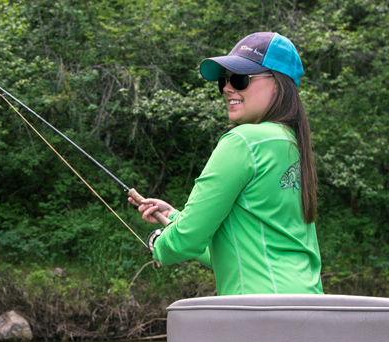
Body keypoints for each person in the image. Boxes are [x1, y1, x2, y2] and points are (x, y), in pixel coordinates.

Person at [129, 32, 323, 295]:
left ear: (277, 84)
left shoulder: (244, 141)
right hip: (309, 308)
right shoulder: (292, 144)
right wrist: (173, 217)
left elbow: (187, 240)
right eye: (224, 81)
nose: (227, 88)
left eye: (240, 79)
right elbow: (231, 254)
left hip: (259, 313)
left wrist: (159, 244)